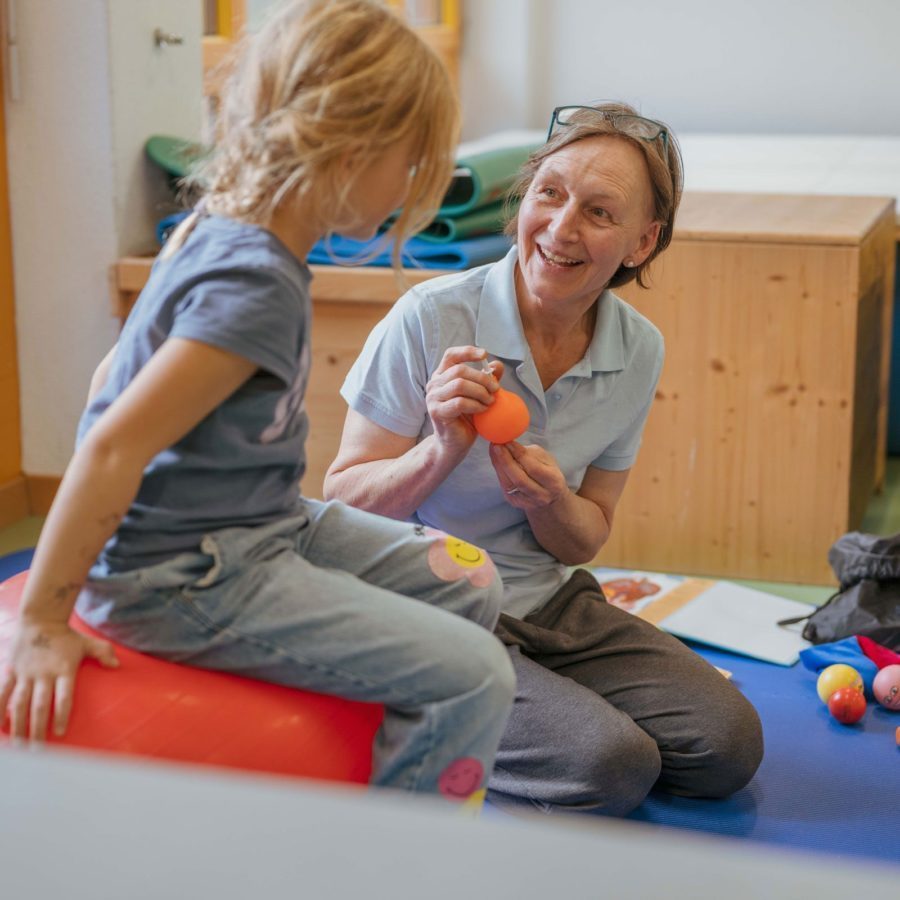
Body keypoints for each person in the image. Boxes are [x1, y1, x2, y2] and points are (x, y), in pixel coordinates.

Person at [0, 0, 516, 805]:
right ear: (351, 150)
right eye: (410, 163)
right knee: (476, 676)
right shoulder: (256, 284)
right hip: (185, 576)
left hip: (257, 523)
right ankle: (404, 864)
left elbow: (109, 377)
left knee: (473, 580)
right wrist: (42, 620)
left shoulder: (217, 223)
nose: (411, 186)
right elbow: (111, 443)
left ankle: (394, 748)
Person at [326, 102, 764, 814]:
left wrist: (549, 503)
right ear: (523, 199)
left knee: (727, 744)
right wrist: (439, 452)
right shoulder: (432, 317)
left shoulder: (637, 348)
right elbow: (341, 502)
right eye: (549, 194)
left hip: (547, 601)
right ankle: (406, 700)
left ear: (641, 243)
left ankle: (509, 703)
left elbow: (590, 532)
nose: (561, 229)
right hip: (428, 599)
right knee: (609, 765)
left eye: (599, 211)